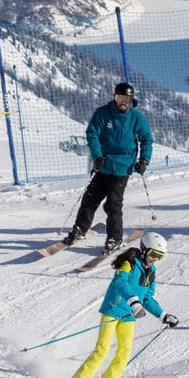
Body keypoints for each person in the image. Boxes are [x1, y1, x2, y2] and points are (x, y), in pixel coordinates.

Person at [59, 234, 179, 378]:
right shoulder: (129, 263)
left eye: (159, 257)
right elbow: (119, 283)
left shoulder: (151, 271)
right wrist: (133, 301)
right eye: (154, 254)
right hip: (113, 310)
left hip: (128, 317)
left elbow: (147, 298)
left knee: (123, 354)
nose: (155, 259)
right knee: (101, 350)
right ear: (145, 249)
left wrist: (163, 315)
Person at [65, 82, 153, 252]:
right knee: (90, 199)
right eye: (120, 98)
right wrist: (97, 155)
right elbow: (92, 133)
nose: (123, 102)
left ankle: (114, 238)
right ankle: (80, 229)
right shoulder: (103, 113)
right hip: (103, 164)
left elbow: (146, 139)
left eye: (127, 99)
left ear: (131, 100)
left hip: (122, 167)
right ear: (114, 97)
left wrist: (144, 160)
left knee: (113, 203)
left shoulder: (137, 118)